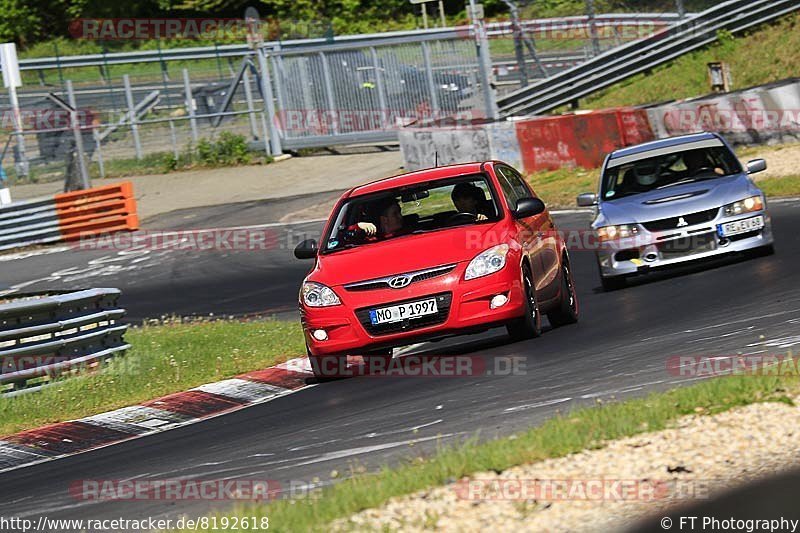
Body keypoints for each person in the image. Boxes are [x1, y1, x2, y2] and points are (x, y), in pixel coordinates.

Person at [346, 197, 410, 241]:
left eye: (399, 212)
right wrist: (358, 226)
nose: (400, 216)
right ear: (384, 219)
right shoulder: (372, 239)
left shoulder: (409, 232)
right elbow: (344, 236)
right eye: (395, 214)